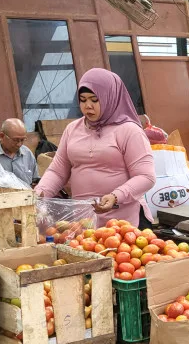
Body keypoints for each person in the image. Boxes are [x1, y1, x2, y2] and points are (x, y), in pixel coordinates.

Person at [35, 68, 155, 229]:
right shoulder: (72, 129)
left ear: (110, 97)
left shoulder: (129, 131)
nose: (88, 106)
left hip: (124, 224)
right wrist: (39, 194)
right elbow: (58, 171)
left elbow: (146, 176)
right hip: (84, 223)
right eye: (83, 100)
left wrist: (115, 196)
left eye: (94, 100)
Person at [0, 118, 39, 186]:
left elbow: (35, 181)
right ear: (2, 136)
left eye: (22, 140)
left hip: (26, 196)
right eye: (15, 140)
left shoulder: (27, 154)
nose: (19, 144)